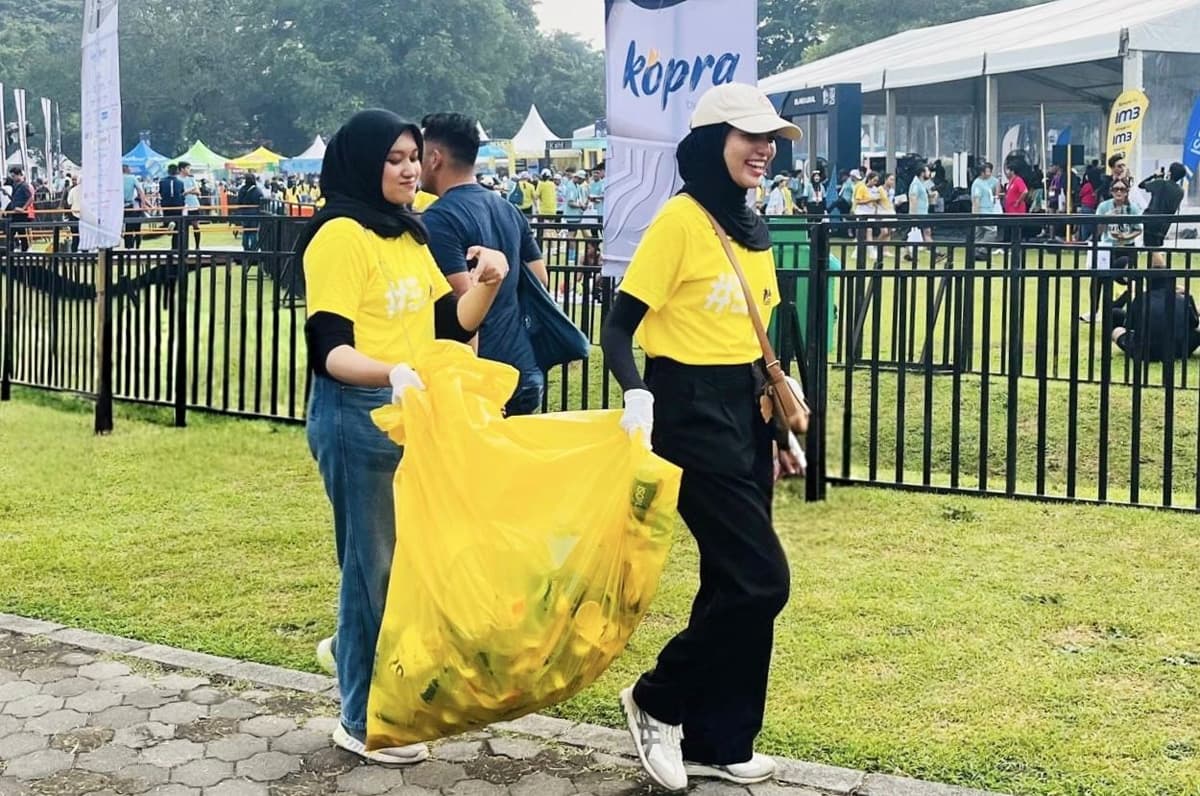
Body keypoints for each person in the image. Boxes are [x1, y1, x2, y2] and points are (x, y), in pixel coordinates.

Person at [600, 82, 802, 792]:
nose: (764, 149)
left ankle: (722, 736)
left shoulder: (751, 224)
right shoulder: (680, 222)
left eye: (770, 138)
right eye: (750, 136)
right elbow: (619, 326)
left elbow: (754, 336)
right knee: (761, 580)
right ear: (710, 144)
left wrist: (776, 424)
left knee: (730, 579)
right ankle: (655, 699)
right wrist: (637, 393)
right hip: (687, 409)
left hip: (746, 408)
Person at [300, 109, 509, 764]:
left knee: (397, 566)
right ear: (365, 163)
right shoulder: (339, 236)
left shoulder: (409, 234)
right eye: (394, 159)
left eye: (414, 157)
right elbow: (328, 350)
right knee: (372, 569)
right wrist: (393, 370)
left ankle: (367, 672)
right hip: (356, 411)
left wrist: (488, 283)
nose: (409, 168)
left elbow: (450, 325)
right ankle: (361, 720)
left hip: (411, 409)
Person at [419, 112, 551, 416]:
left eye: (418, 155)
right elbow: (540, 278)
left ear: (435, 158)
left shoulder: (439, 219)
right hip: (523, 367)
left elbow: (463, 310)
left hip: (481, 378)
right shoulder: (508, 209)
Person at [1111, 252, 1200, 362]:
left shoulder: (1140, 299)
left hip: (1145, 351)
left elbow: (1130, 325)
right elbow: (1194, 324)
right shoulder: (1183, 298)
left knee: (1117, 331)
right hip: (1179, 349)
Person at [1084, 178, 1142, 322]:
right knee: (1097, 279)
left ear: (1127, 192)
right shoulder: (1104, 207)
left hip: (1126, 247)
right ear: (1111, 191)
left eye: (1122, 189)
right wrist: (1106, 218)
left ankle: (1117, 306)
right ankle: (1094, 311)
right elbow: (1097, 231)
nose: (1119, 192)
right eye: (1116, 189)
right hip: (1108, 246)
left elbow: (1138, 229)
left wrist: (1125, 236)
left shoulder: (1132, 208)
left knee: (1128, 276)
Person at [1138, 163, 1186, 248]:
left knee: (1151, 249)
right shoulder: (1180, 191)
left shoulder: (1160, 183)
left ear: (1169, 172)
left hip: (1150, 221)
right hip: (1164, 224)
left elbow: (1141, 185)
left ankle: (1161, 262)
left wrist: (1154, 176)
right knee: (1157, 247)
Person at [970, 162, 1001, 257]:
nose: (989, 173)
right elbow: (976, 200)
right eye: (987, 171)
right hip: (982, 211)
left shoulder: (985, 182)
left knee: (979, 233)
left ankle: (975, 251)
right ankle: (981, 249)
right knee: (992, 231)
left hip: (988, 210)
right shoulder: (978, 183)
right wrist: (976, 214)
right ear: (982, 173)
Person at [6, 166, 34, 252]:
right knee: (14, 233)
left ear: (19, 175)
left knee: (21, 233)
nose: (13, 178)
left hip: (21, 214)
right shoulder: (15, 185)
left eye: (14, 176)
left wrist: (23, 208)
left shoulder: (24, 186)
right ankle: (13, 251)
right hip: (15, 213)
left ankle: (24, 250)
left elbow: (31, 198)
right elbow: (15, 198)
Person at [234, 174, 264, 253]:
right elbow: (261, 201)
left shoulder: (241, 189)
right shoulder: (257, 190)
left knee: (246, 231)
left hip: (244, 213)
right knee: (253, 232)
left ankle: (245, 247)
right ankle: (254, 248)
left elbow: (238, 202)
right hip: (254, 213)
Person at [158, 164, 186, 248]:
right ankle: (175, 248)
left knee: (168, 218)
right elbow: (181, 192)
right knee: (178, 228)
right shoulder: (180, 182)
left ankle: (168, 224)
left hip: (166, 205)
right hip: (178, 205)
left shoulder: (162, 182)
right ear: (177, 171)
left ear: (168, 171)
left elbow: (161, 192)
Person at [122, 165, 147, 249]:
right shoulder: (132, 178)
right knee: (130, 227)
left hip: (118, 206)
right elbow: (141, 191)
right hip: (129, 205)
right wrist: (143, 205)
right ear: (127, 169)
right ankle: (131, 247)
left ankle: (127, 246)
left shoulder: (116, 178)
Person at [178, 161, 202, 249]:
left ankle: (197, 246)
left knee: (196, 225)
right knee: (184, 227)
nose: (189, 170)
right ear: (182, 169)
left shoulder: (191, 178)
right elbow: (180, 193)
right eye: (187, 168)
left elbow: (198, 192)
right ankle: (184, 247)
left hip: (193, 204)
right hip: (183, 205)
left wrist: (188, 191)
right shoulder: (178, 179)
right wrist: (189, 191)